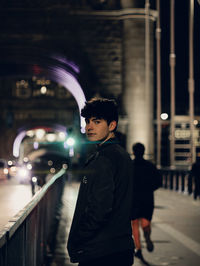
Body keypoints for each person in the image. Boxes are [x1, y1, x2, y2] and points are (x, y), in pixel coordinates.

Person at [67, 97, 134, 266]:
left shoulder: (103, 160)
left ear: (112, 125)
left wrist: (79, 237)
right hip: (120, 247)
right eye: (88, 121)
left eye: (97, 122)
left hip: (101, 252)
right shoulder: (122, 155)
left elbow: (99, 209)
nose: (89, 127)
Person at [131, 143, 162, 264]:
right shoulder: (150, 166)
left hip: (134, 199)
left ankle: (138, 248)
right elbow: (159, 182)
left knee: (134, 224)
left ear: (133, 152)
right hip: (147, 199)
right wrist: (149, 189)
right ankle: (147, 236)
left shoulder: (130, 166)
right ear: (143, 152)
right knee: (145, 222)